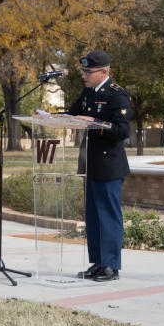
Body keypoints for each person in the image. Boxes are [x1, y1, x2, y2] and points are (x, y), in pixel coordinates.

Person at [67, 49, 132, 282]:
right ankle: (97, 263)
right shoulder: (87, 93)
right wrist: (47, 117)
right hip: (90, 165)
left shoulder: (117, 95)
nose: (84, 75)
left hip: (109, 166)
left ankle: (111, 267)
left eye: (88, 71)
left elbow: (122, 130)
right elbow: (72, 114)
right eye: (83, 71)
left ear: (104, 72)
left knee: (109, 217)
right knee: (93, 217)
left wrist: (94, 121)